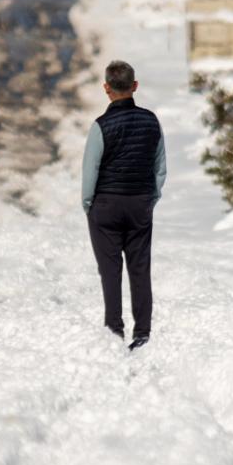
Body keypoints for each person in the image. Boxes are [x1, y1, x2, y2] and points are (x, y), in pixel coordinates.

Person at [81, 59, 166, 351]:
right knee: (140, 268)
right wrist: (151, 198)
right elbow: (160, 167)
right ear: (135, 86)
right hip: (140, 202)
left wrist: (88, 204)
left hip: (105, 204)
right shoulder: (151, 120)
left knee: (110, 270)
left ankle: (114, 330)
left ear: (106, 88)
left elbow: (90, 169)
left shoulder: (100, 126)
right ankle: (142, 332)